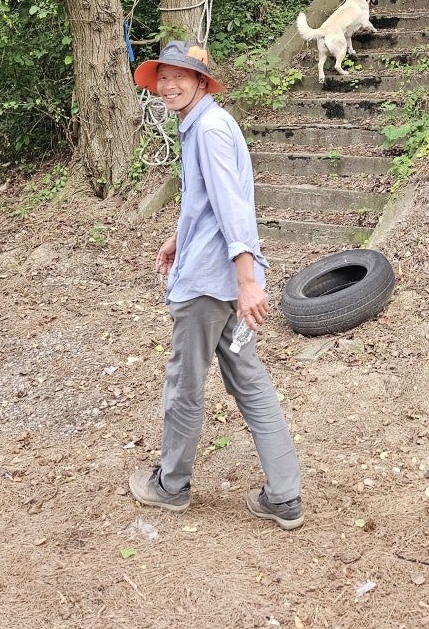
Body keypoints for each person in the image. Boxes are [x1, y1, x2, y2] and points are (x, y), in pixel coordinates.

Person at [127, 40, 304, 530]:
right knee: (249, 382)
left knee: (185, 385)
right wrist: (178, 239)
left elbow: (233, 208)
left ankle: (171, 485)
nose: (169, 85)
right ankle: (285, 496)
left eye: (180, 76)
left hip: (212, 287)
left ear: (201, 82)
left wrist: (247, 280)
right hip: (219, 278)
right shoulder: (208, 124)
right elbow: (208, 203)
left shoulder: (207, 129)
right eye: (162, 77)